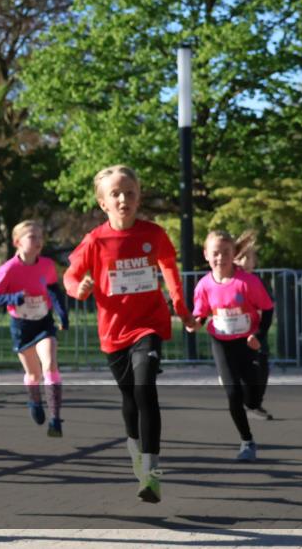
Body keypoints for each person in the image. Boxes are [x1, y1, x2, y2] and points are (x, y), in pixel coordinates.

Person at [63, 165, 200, 504]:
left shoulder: (153, 234)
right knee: (129, 398)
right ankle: (135, 447)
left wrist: (181, 309)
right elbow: (70, 276)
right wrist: (79, 289)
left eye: (130, 193)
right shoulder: (95, 240)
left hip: (148, 325)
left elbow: (169, 269)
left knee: (145, 389)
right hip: (114, 331)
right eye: (116, 194)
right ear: (103, 203)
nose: (123, 199)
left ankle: (151, 472)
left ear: (139, 198)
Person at [189, 230, 274, 461]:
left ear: (234, 254)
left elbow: (267, 309)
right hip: (221, 342)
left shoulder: (247, 282)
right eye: (215, 253)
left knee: (252, 398)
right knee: (233, 393)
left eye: (226, 253)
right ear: (206, 255)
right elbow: (201, 313)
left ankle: (252, 401)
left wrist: (258, 334)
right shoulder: (204, 285)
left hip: (247, 343)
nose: (220, 258)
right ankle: (247, 441)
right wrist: (194, 324)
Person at [0, 220, 69, 436]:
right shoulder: (9, 269)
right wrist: (14, 297)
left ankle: (55, 419)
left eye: (40, 237)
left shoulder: (47, 265)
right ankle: (35, 401)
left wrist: (62, 314)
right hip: (22, 326)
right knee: (33, 374)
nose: (38, 241)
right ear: (17, 242)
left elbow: (53, 290)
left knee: (50, 364)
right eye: (32, 237)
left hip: (44, 322)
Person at [234, 232, 276, 420]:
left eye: (249, 258)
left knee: (262, 370)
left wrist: (260, 330)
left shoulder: (259, 282)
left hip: (257, 334)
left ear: (255, 261)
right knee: (241, 371)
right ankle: (245, 403)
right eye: (241, 257)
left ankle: (255, 404)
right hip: (236, 336)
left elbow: (268, 307)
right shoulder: (231, 281)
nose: (245, 262)